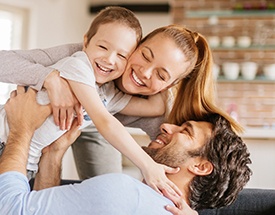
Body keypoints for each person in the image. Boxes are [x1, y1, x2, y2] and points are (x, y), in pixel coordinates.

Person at [1, 23, 241, 181]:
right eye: (145, 55)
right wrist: (50, 78)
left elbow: (174, 164)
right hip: (88, 117)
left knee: (105, 189)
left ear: (169, 86)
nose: (145, 73)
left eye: (161, 75)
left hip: (100, 121)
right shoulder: (85, 58)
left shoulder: (151, 108)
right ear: (137, 45)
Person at [0, 6, 183, 195]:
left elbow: (154, 107)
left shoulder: (109, 93)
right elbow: (105, 121)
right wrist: (147, 166)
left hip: (28, 162)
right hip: (5, 143)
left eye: (122, 55)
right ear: (86, 41)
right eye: (103, 47)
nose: (110, 59)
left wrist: (168, 84)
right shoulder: (78, 64)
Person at [0, 86, 252, 214]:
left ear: (201, 166)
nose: (166, 126)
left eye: (185, 131)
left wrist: (21, 129)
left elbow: (10, 210)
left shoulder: (124, 194)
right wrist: (54, 154)